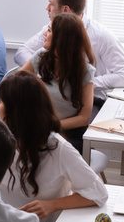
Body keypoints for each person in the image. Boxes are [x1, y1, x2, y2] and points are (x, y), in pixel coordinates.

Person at [0, 70, 108, 222]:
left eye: (1, 101)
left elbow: (98, 193)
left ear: (15, 110)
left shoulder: (57, 148)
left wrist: (52, 205)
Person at [14, 0, 124, 108]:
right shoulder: (50, 30)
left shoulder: (102, 36)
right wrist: (41, 69)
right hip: (55, 98)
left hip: (89, 101)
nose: (47, 8)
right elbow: (22, 52)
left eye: (51, 4)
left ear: (65, 10)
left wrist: (85, 84)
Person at [20, 13, 96, 152]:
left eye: (49, 30)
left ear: (61, 39)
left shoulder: (85, 71)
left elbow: (84, 118)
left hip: (69, 134)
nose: (45, 33)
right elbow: (16, 82)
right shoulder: (41, 56)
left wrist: (51, 126)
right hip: (41, 130)